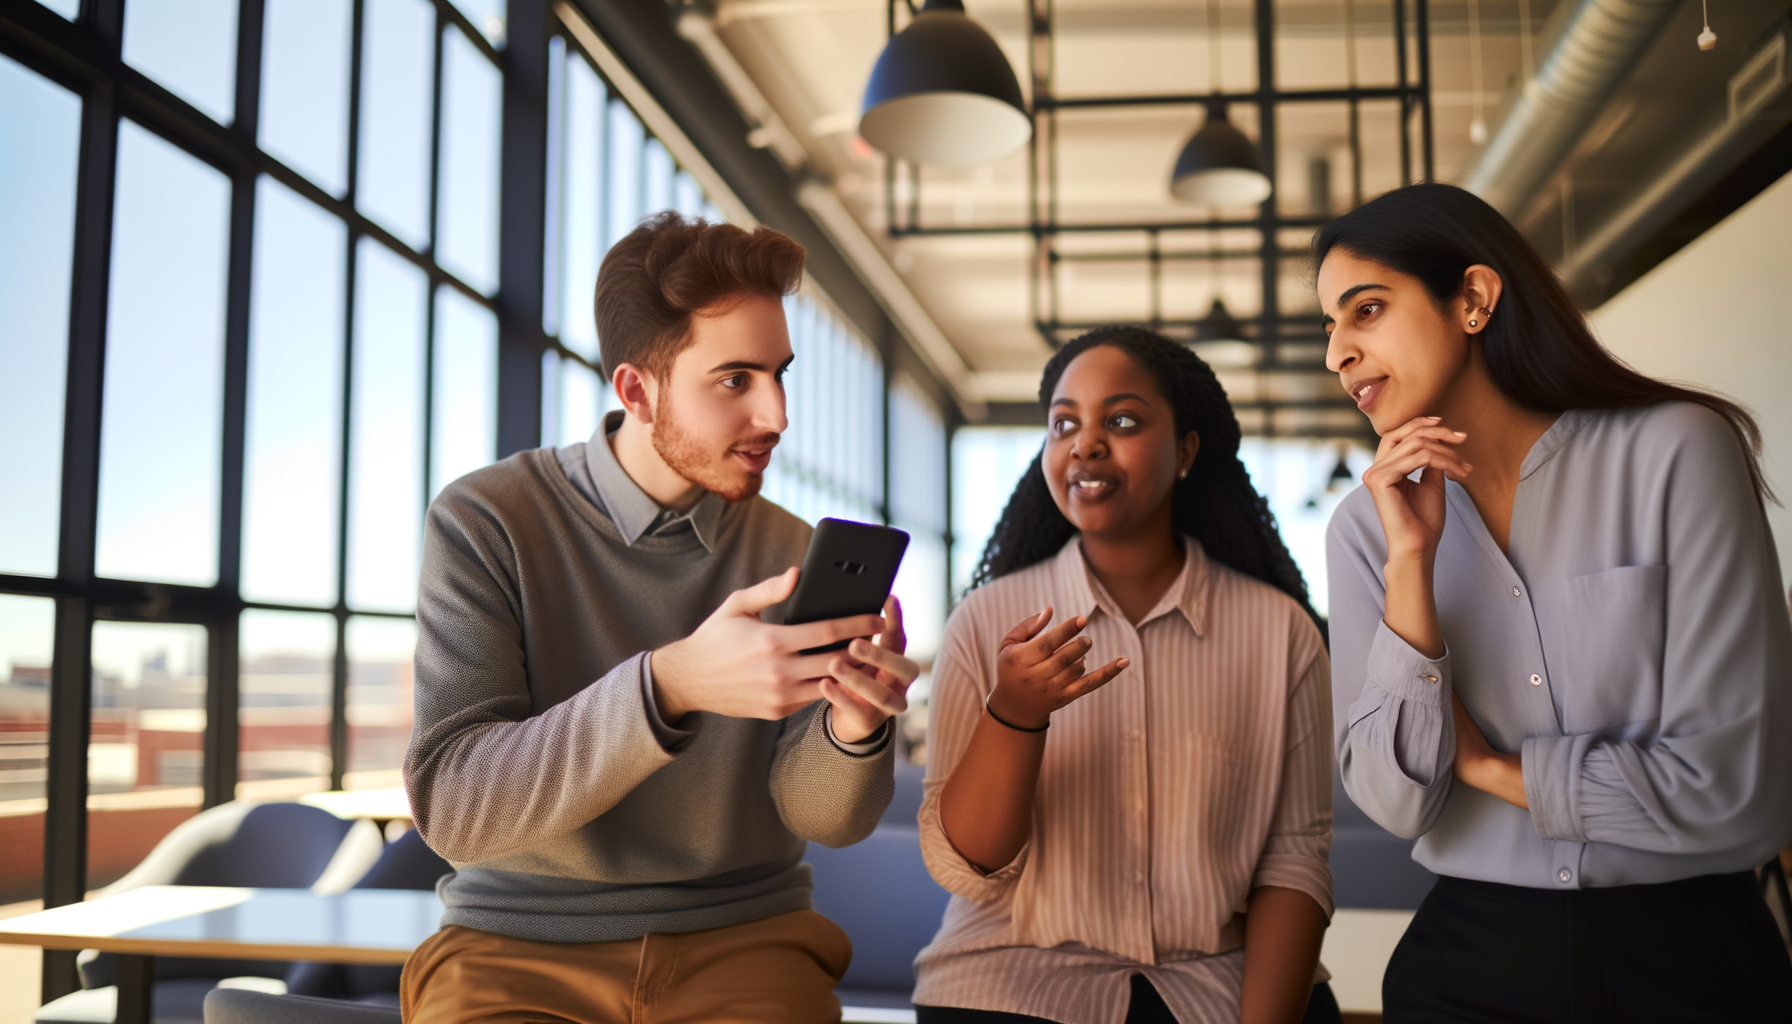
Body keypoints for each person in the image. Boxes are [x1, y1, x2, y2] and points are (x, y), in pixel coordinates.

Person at [399, 212, 921, 1024]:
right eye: (735, 380)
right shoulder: (487, 520)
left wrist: (852, 731)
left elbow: (825, 819)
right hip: (517, 946)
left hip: (746, 941)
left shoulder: (791, 550)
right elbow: (456, 807)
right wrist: (668, 685)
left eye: (779, 374)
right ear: (637, 391)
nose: (777, 415)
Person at [1322, 183, 1792, 1022]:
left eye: (1366, 309)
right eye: (1330, 326)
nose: (1337, 354)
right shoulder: (1368, 530)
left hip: (1694, 963)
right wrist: (1411, 565)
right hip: (1465, 970)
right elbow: (1397, 804)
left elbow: (1734, 791)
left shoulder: (1677, 453)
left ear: (1473, 298)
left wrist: (1486, 768)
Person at [913, 326, 1341, 1024]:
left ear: (1186, 451)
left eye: (1121, 421)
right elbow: (968, 866)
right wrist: (1014, 715)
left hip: (1217, 989)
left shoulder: (1282, 633)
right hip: (1013, 986)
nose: (1085, 444)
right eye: (1064, 424)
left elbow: (1293, 860)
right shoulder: (985, 621)